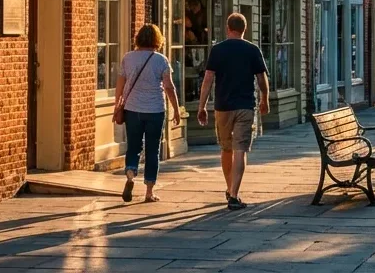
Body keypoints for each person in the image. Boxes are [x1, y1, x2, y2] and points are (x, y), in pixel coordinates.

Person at [196, 13, 270, 211]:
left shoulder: (218, 50)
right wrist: (265, 98)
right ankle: (235, 195)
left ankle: (229, 189)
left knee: (226, 149)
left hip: (223, 107)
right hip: (245, 106)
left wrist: (202, 105)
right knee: (240, 150)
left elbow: (208, 79)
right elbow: (262, 79)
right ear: (244, 29)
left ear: (228, 28)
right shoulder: (252, 50)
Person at [115, 24, 182, 203]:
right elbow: (169, 87)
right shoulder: (161, 60)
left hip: (132, 109)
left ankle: (130, 174)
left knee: (134, 146)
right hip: (155, 110)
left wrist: (117, 103)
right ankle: (149, 192)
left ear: (138, 38)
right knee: (153, 150)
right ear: (157, 40)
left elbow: (121, 82)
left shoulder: (128, 58)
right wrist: (176, 109)